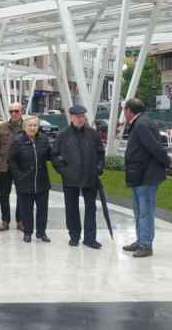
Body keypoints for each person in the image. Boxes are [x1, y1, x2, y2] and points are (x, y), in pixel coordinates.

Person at [121, 98, 171, 258]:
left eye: (124, 109)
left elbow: (154, 147)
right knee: (139, 210)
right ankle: (141, 240)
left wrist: (168, 162)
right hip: (139, 175)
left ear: (129, 110)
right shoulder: (140, 122)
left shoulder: (141, 124)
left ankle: (146, 245)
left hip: (146, 176)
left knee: (145, 212)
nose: (123, 112)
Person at [52, 105, 105, 250]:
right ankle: (74, 236)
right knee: (71, 208)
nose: (81, 119)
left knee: (91, 208)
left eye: (83, 116)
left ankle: (90, 238)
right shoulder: (63, 135)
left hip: (90, 177)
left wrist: (98, 169)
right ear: (71, 117)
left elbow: (101, 153)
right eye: (78, 117)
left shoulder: (93, 134)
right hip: (70, 179)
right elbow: (55, 156)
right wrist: (63, 171)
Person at [9, 115, 53, 243]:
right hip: (24, 182)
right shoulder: (17, 141)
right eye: (30, 125)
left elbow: (51, 155)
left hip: (42, 181)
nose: (32, 128)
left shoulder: (44, 139)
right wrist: (18, 176)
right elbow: (12, 160)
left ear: (38, 127)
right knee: (26, 210)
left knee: (42, 210)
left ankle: (41, 232)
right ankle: (27, 232)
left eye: (35, 125)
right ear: (24, 127)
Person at [0, 103, 25, 232]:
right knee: (4, 194)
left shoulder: (26, 126)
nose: (13, 114)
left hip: (21, 166)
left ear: (21, 111)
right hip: (4, 165)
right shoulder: (2, 127)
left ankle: (20, 221)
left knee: (21, 194)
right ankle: (5, 221)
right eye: (11, 111)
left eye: (16, 111)